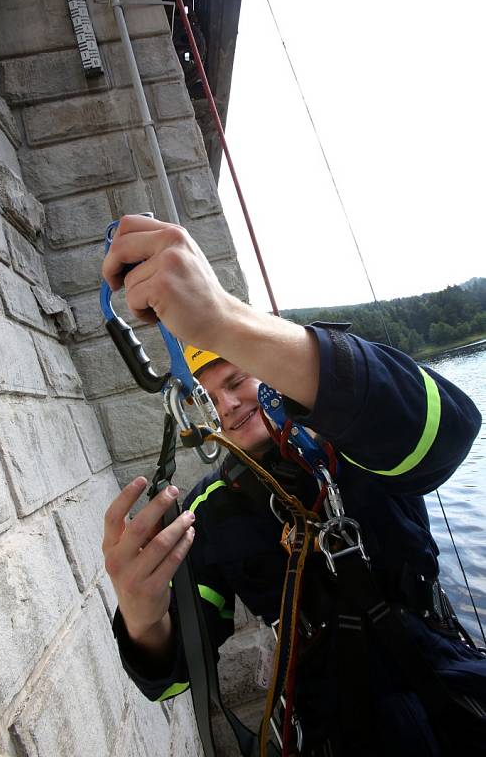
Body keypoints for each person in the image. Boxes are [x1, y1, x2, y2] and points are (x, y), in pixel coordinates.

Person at [101, 214, 486, 756]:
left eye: (237, 380)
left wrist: (225, 321)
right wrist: (143, 621)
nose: (228, 404)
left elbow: (448, 431)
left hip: (447, 674)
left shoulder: (353, 437)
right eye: (209, 398)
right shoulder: (208, 514)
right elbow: (173, 679)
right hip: (335, 718)